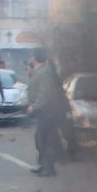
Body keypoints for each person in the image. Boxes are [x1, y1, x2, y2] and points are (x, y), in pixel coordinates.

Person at [27, 48, 67, 177]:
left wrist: (35, 106)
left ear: (35, 57)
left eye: (32, 56)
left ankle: (48, 168)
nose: (31, 58)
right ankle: (44, 165)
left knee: (45, 139)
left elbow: (44, 93)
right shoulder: (42, 71)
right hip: (45, 110)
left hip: (47, 111)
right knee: (41, 138)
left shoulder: (45, 72)